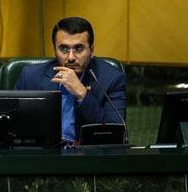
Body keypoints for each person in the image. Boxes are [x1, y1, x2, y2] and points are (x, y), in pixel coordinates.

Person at [14, 16, 126, 144]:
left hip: (87, 153)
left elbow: (114, 133)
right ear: (55, 51)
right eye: (64, 49)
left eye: (79, 49)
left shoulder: (112, 78)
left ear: (91, 50)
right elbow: (12, 125)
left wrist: (81, 93)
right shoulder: (30, 76)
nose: (71, 57)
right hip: (44, 152)